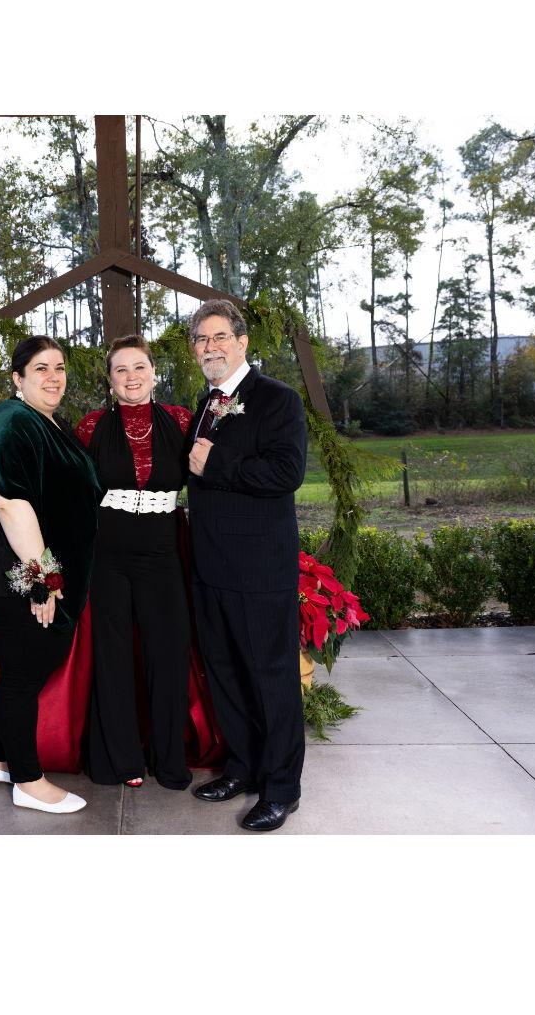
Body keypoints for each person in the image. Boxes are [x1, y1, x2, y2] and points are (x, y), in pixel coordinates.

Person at [0, 335, 103, 814]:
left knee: (30, 666)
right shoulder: (14, 420)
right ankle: (28, 780)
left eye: (59, 367)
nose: (54, 377)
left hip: (35, 566)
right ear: (17, 377)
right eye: (41, 368)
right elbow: (10, 503)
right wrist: (44, 578)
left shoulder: (45, 421)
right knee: (25, 673)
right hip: (18, 569)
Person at [186, 299, 308, 832]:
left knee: (271, 678)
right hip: (210, 566)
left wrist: (216, 462)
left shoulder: (278, 399)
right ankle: (241, 766)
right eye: (200, 339)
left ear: (242, 342)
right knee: (226, 674)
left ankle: (281, 788)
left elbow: (286, 472)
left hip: (259, 570)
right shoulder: (206, 402)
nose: (208, 347)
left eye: (218, 337)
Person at [74, 335, 194, 790]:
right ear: (110, 381)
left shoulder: (181, 420)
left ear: (154, 373)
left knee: (168, 652)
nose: (131, 377)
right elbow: (74, 493)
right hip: (108, 553)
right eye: (121, 370)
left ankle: (169, 757)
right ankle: (120, 759)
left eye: (139, 367)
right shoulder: (91, 427)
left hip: (163, 552)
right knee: (113, 654)